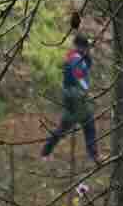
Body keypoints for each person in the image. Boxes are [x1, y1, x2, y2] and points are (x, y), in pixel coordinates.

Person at [41, 18, 99, 161]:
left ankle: (46, 152)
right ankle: (93, 156)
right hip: (76, 97)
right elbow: (79, 78)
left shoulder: (77, 57)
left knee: (67, 126)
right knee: (86, 124)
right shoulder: (75, 59)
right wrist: (86, 92)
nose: (88, 49)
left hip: (72, 96)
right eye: (86, 46)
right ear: (81, 46)